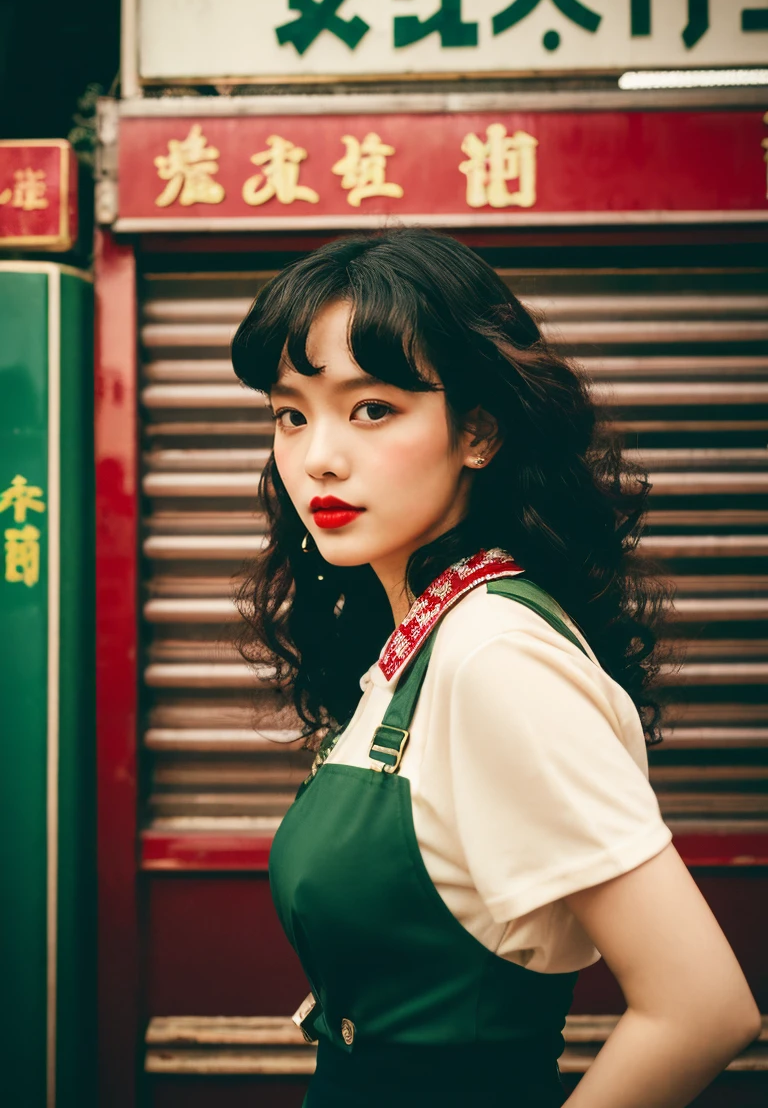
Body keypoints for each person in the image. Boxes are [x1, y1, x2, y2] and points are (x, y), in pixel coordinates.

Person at [230, 227, 760, 1108]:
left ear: (478, 431)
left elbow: (701, 1009)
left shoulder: (494, 655)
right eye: (292, 413)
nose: (317, 454)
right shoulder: (419, 639)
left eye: (372, 408)